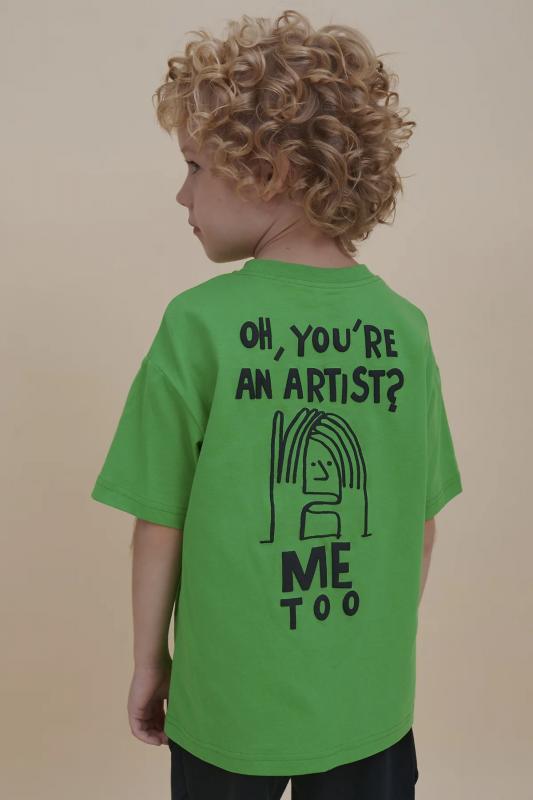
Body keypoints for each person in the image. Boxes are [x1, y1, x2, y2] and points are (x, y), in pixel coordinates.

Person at [90, 9, 463, 799]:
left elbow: (160, 523)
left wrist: (150, 664)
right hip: (368, 699)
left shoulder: (198, 324)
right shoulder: (404, 329)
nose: (181, 193)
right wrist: (365, 651)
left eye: (194, 165)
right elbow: (420, 525)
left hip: (227, 700)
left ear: (271, 169)